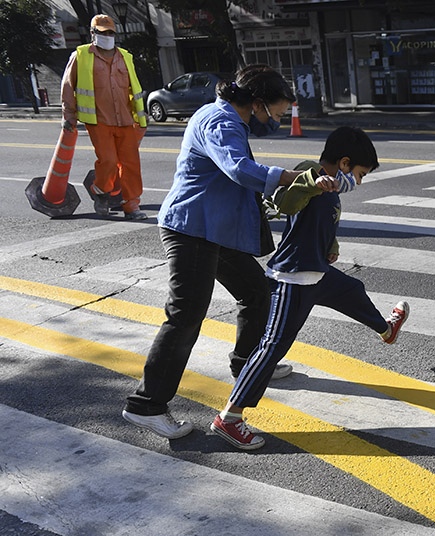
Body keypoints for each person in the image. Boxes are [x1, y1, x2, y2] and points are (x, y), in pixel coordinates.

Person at [121, 64, 340, 439]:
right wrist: (294, 178)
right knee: (185, 315)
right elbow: (238, 169)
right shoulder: (220, 121)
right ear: (257, 104)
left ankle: (247, 365)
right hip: (190, 229)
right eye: (277, 113)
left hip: (213, 230)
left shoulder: (230, 119)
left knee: (257, 293)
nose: (278, 120)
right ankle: (146, 404)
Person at [211, 126, 410, 450]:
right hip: (294, 278)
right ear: (344, 163)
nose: (358, 182)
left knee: (353, 291)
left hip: (317, 272)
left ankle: (386, 330)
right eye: (359, 174)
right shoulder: (307, 172)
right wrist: (312, 184)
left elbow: (326, 219)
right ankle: (230, 418)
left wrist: (331, 243)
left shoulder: (334, 189)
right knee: (272, 347)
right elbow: (286, 204)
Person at [60, 14, 148, 220]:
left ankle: (132, 206)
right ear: (93, 34)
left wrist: (140, 118)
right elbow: (67, 86)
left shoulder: (125, 56)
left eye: (110, 33)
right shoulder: (80, 56)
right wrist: (69, 116)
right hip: (99, 120)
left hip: (126, 120)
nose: (107, 36)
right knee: (108, 161)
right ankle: (100, 191)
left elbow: (133, 88)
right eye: (102, 32)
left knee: (131, 164)